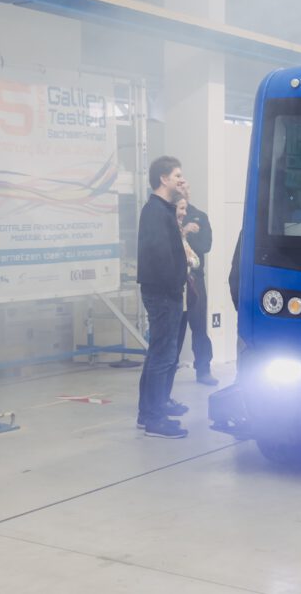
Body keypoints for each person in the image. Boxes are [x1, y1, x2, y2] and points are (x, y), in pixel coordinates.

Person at [136, 156, 189, 438]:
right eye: (177, 175)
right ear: (163, 179)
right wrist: (174, 283)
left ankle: (148, 414)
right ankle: (155, 419)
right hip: (163, 292)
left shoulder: (162, 209)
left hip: (165, 290)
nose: (182, 179)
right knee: (163, 356)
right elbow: (160, 255)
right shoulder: (155, 211)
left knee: (159, 353)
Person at [175, 182, 218, 386]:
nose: (186, 192)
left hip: (195, 279)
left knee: (199, 326)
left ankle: (203, 369)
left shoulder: (200, 216)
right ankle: (168, 370)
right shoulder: (167, 218)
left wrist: (189, 234)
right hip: (173, 280)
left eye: (188, 189)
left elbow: (205, 245)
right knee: (175, 328)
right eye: (181, 189)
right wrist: (182, 231)